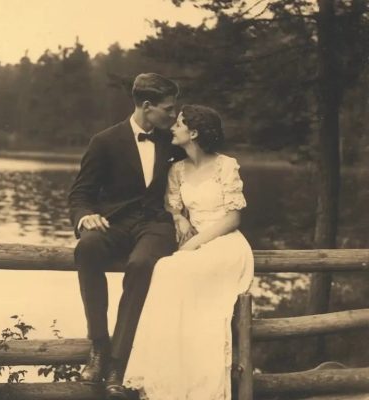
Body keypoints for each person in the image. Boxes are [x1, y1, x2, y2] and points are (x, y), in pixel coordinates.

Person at [123, 105, 254, 400]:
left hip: (225, 243)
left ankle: (198, 387)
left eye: (179, 123)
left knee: (172, 269)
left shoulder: (226, 166)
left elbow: (233, 218)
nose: (173, 127)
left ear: (193, 133)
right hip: (196, 248)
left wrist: (196, 243)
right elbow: (172, 205)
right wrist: (179, 217)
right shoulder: (177, 170)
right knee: (169, 272)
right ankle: (169, 381)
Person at [68, 73, 185, 399]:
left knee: (142, 264)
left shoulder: (172, 142)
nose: (173, 116)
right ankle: (99, 345)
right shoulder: (104, 141)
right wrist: (84, 216)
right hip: (115, 223)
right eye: (168, 109)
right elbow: (80, 194)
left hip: (156, 226)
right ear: (147, 107)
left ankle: (118, 364)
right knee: (87, 248)